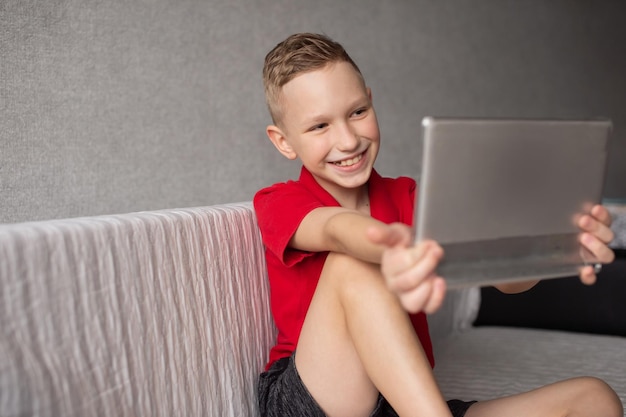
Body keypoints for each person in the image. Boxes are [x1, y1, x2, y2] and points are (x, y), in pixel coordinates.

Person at [253, 32, 622, 417]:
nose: (347, 140)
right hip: (313, 397)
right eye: (319, 127)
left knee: (594, 399)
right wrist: (393, 245)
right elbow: (335, 229)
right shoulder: (278, 201)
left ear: (371, 101)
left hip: (403, 406)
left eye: (357, 112)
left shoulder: (410, 198)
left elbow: (507, 279)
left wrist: (553, 245)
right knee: (352, 263)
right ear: (283, 142)